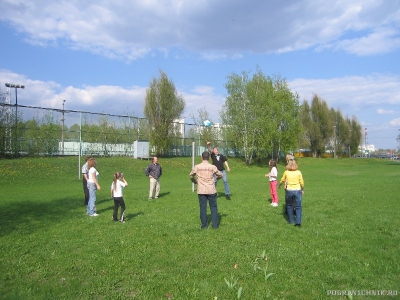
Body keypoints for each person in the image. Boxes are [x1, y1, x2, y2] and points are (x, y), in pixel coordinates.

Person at [189, 151, 222, 229]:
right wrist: (215, 179)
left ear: (201, 157)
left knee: (203, 207)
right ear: (209, 158)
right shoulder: (212, 167)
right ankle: (215, 225)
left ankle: (204, 225)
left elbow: (191, 175)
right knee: (213, 207)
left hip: (201, 190)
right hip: (211, 189)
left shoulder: (197, 167)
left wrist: (195, 181)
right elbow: (220, 175)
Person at [279, 159, 304, 227]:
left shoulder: (286, 172)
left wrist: (279, 184)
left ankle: (291, 220)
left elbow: (282, 180)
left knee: (289, 205)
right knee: (298, 207)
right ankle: (298, 222)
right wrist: (302, 189)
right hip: (297, 190)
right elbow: (301, 182)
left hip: (289, 190)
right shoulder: (298, 172)